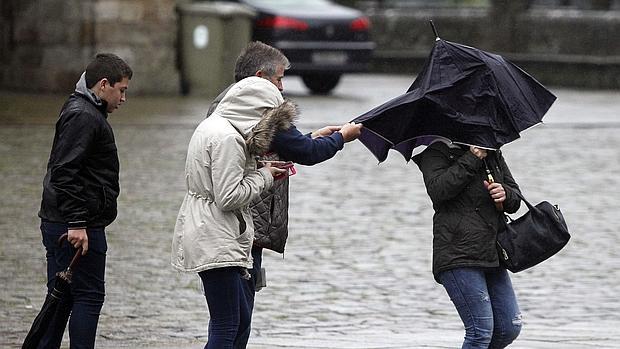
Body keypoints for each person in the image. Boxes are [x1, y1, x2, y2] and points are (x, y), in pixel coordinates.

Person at [206, 41, 362, 348]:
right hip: (243, 224)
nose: (282, 87)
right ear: (262, 76)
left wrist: (313, 136)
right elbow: (307, 153)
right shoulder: (264, 111)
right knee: (234, 322)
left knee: (232, 318)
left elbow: (285, 145)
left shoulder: (227, 104)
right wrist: (343, 137)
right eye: (279, 79)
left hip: (232, 224)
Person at [171, 76, 294, 348]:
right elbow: (228, 197)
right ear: (258, 112)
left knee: (237, 320)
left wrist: (255, 167)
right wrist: (264, 176)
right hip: (217, 236)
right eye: (270, 121)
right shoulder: (228, 139)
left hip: (211, 230)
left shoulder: (213, 126)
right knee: (227, 325)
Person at [37, 53, 132, 349]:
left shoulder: (83, 110)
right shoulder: (84, 115)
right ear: (103, 85)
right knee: (87, 296)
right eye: (122, 90)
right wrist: (78, 223)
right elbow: (65, 172)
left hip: (66, 222)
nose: (124, 98)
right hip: (77, 228)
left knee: (61, 296)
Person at [412, 141, 523, 349]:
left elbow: (515, 199)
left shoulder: (492, 152)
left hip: (492, 252)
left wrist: (505, 193)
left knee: (509, 327)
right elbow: (439, 191)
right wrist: (472, 157)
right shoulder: (436, 151)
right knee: (480, 332)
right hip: (457, 254)